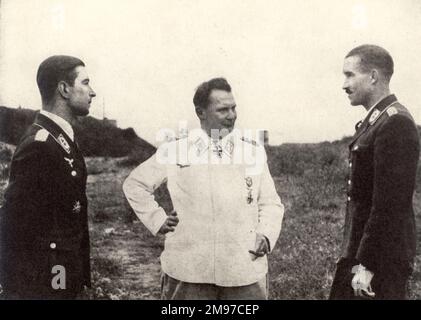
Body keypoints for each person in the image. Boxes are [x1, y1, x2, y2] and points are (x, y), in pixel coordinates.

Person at [123, 77, 284, 299]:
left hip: (242, 268)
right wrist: (156, 219)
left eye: (234, 108)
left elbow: (270, 202)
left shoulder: (253, 152)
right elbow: (135, 184)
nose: (232, 116)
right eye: (223, 110)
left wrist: (265, 235)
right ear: (201, 113)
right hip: (189, 270)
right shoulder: (177, 149)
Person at [0, 55, 96, 299]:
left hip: (61, 275)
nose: (92, 92)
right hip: (45, 282)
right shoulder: (40, 145)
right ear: (64, 89)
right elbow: (14, 225)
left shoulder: (60, 139)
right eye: (85, 83)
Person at [329, 45, 419, 300]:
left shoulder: (395, 122)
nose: (344, 84)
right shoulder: (376, 121)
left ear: (373, 76)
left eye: (349, 75)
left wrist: (367, 265)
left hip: (380, 260)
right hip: (361, 252)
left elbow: (390, 206)